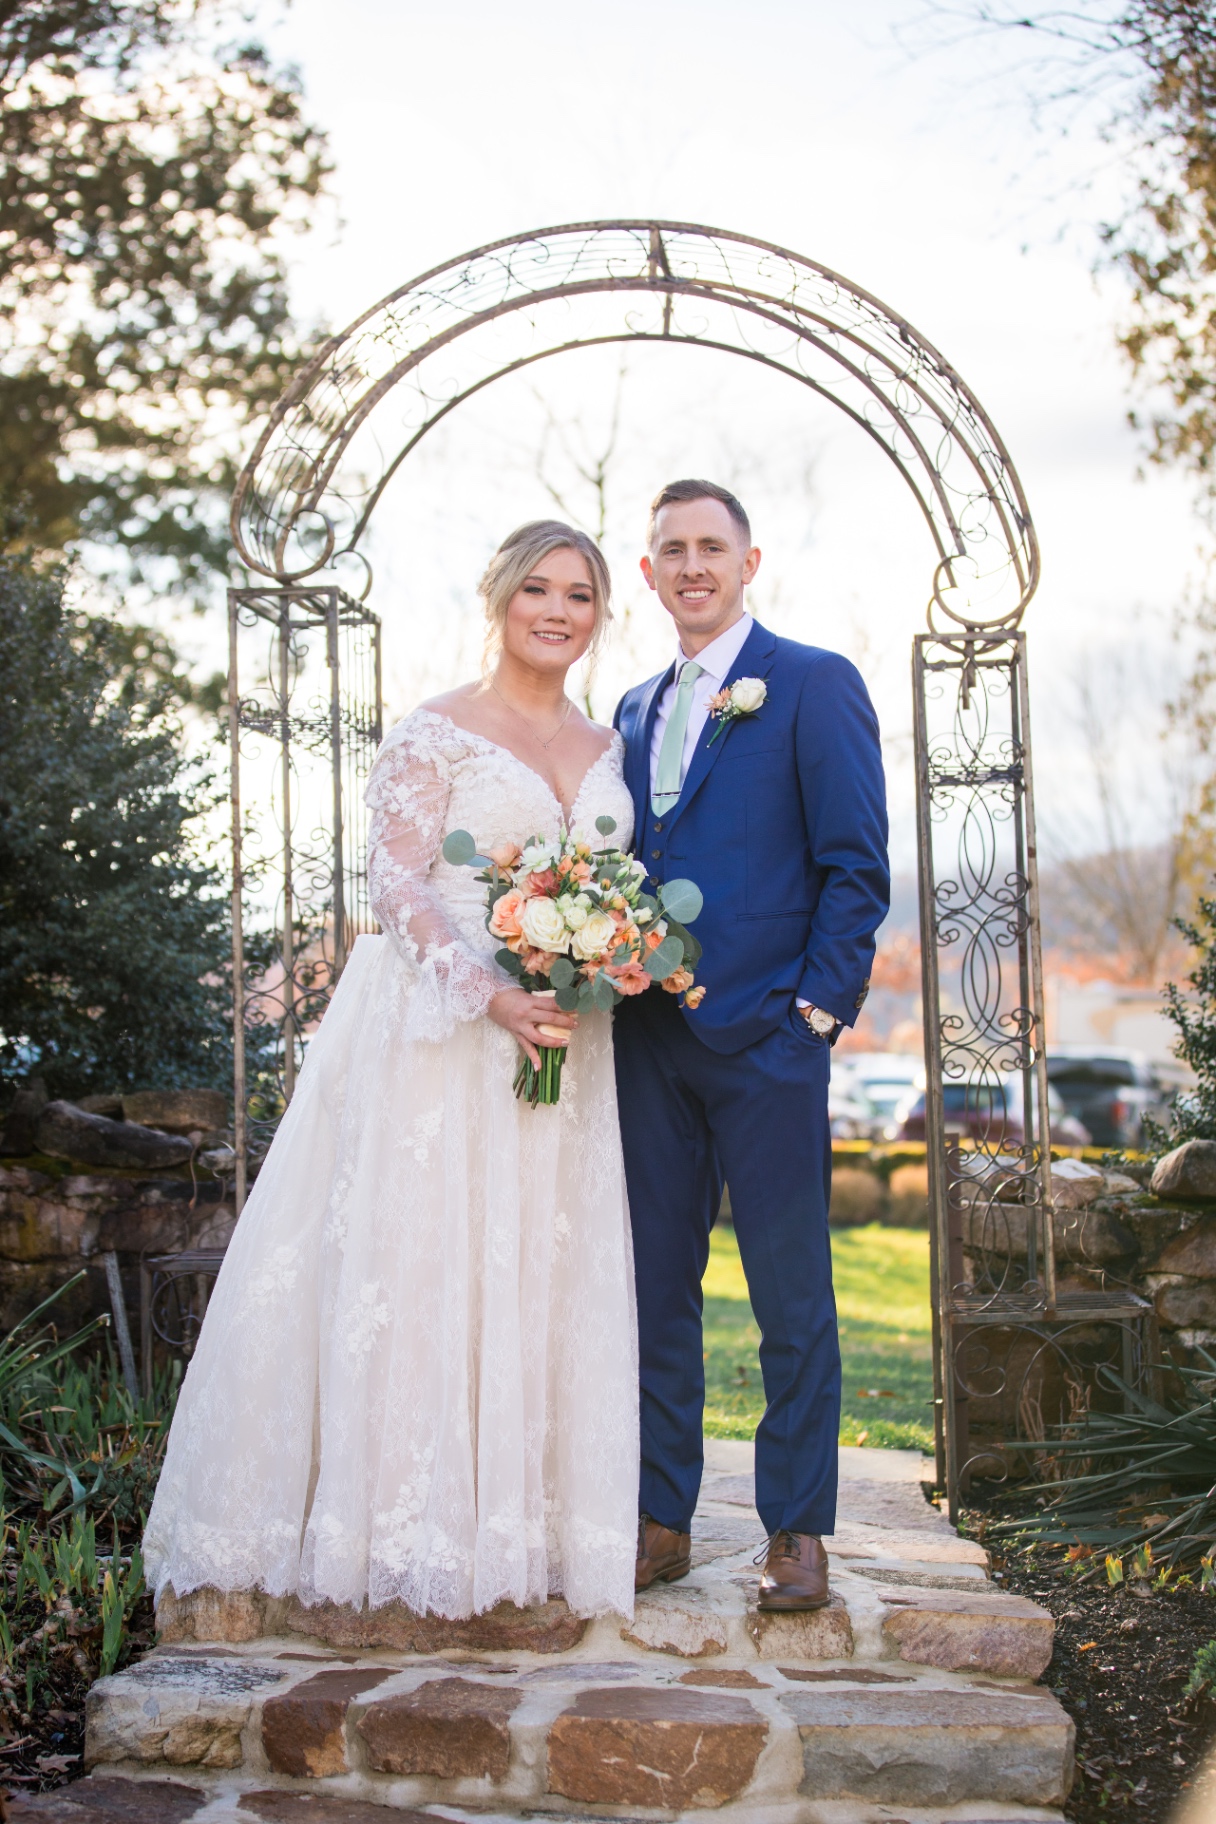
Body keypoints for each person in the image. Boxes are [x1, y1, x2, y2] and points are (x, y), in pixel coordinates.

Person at [144, 521, 640, 1623]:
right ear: (499, 597)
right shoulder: (437, 731)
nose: (557, 612)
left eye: (580, 596)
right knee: (427, 1262)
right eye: (538, 591)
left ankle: (528, 1521)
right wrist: (489, 989)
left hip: (568, 1038)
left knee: (537, 1266)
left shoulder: (611, 746)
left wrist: (613, 956)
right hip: (445, 1032)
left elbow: (616, 883)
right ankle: (403, 1521)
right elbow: (396, 880)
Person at [613, 480, 889, 1610]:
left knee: (792, 1293)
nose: (691, 565)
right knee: (651, 1290)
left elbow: (855, 863)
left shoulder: (811, 682)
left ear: (748, 560)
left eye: (710, 548)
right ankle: (660, 1516)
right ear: (647, 572)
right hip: (642, 1040)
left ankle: (795, 1531)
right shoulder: (627, 710)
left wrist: (815, 1014)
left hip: (772, 1041)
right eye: (670, 549)